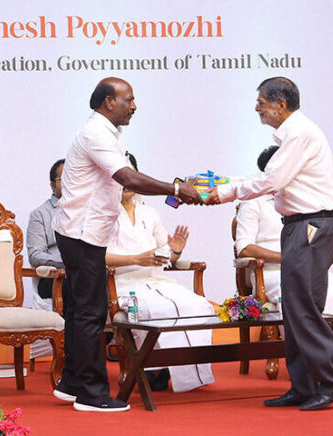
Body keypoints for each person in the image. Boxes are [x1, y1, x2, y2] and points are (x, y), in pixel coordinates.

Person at [51, 77, 202, 412]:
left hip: (82, 231)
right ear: (108, 102)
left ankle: (73, 383)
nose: (134, 106)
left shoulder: (109, 133)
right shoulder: (96, 133)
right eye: (128, 100)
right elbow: (127, 178)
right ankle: (91, 394)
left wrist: (172, 189)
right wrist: (176, 190)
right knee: (90, 312)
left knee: (79, 310)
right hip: (81, 232)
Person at [206, 77, 333, 411]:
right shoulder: (293, 135)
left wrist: (225, 191)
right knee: (295, 309)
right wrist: (224, 185)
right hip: (300, 226)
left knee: (303, 308)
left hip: (310, 226)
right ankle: (303, 385)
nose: (257, 108)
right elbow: (268, 179)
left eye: (261, 102)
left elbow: (271, 180)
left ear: (280, 105)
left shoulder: (300, 134)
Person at [236, 146, 333, 378]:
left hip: (305, 264)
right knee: (321, 292)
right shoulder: (253, 202)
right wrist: (286, 257)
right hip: (272, 272)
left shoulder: (301, 199)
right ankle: (326, 366)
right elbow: (244, 246)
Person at [106, 153, 215, 392]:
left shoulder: (149, 213)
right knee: (151, 309)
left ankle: (184, 371)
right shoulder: (102, 213)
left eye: (131, 176)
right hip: (120, 283)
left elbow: (163, 256)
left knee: (199, 306)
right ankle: (152, 368)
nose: (126, 184)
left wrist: (175, 250)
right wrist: (136, 259)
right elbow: (94, 256)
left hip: (155, 279)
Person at [26, 158, 72, 360]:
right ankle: (72, 357)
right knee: (75, 287)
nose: (70, 182)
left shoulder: (86, 211)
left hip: (79, 272)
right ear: (53, 184)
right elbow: (35, 255)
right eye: (64, 178)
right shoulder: (40, 214)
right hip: (54, 278)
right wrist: (64, 264)